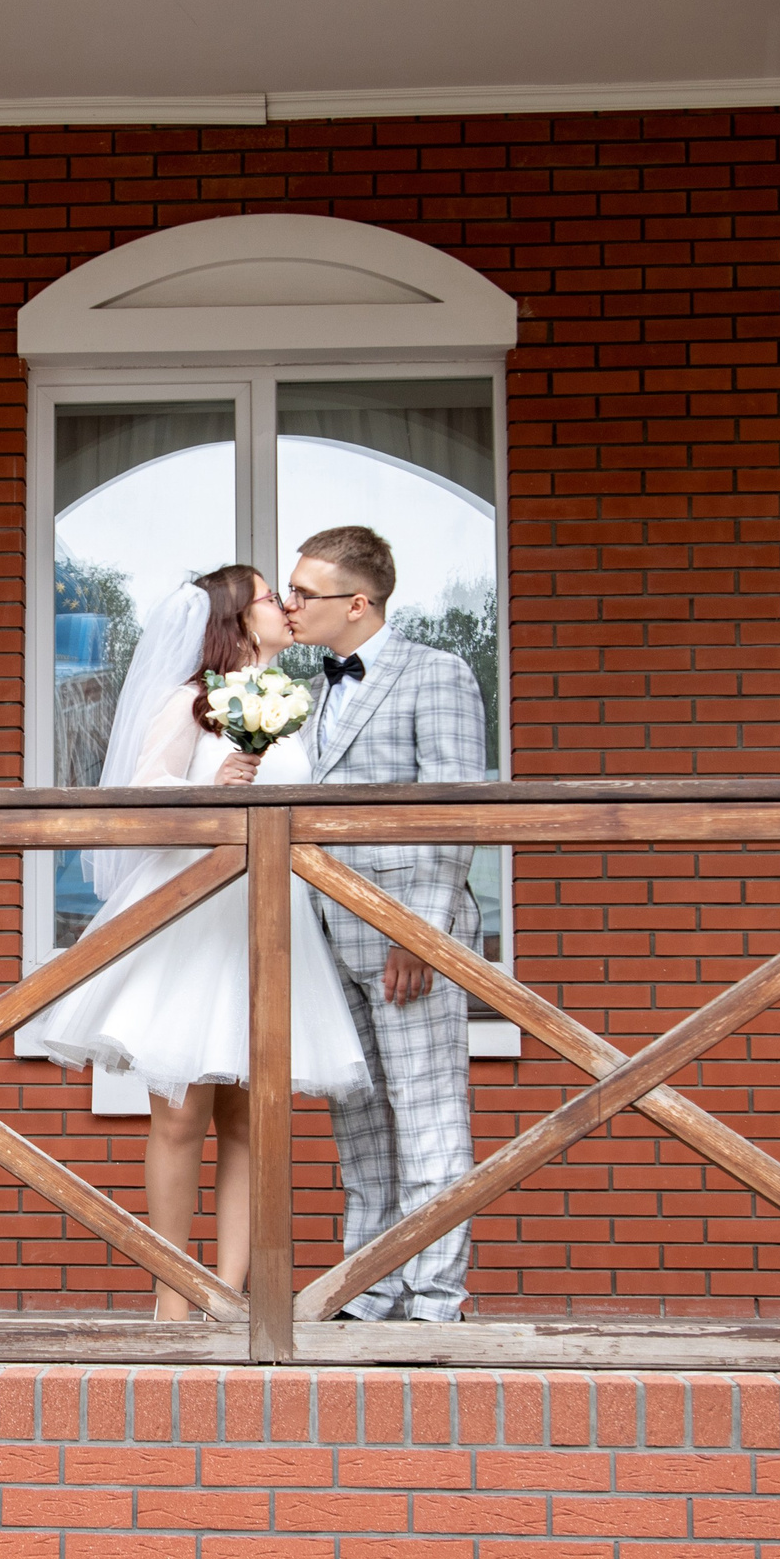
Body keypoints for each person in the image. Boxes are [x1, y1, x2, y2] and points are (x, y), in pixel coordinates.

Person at [20, 564, 372, 1320]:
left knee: (250, 1118)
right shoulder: (190, 701)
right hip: (188, 922)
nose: (285, 605)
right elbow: (142, 804)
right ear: (237, 620)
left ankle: (228, 1294)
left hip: (267, 925)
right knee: (179, 1115)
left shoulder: (299, 708)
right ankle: (172, 1295)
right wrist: (219, 795)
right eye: (271, 597)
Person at [283, 524, 492, 1322]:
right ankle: (368, 1292)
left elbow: (453, 812)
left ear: (358, 603)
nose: (291, 604)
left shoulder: (437, 675)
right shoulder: (311, 692)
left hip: (405, 938)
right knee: (361, 1125)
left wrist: (422, 935)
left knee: (427, 1112)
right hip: (324, 937)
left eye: (305, 592)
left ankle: (435, 1299)